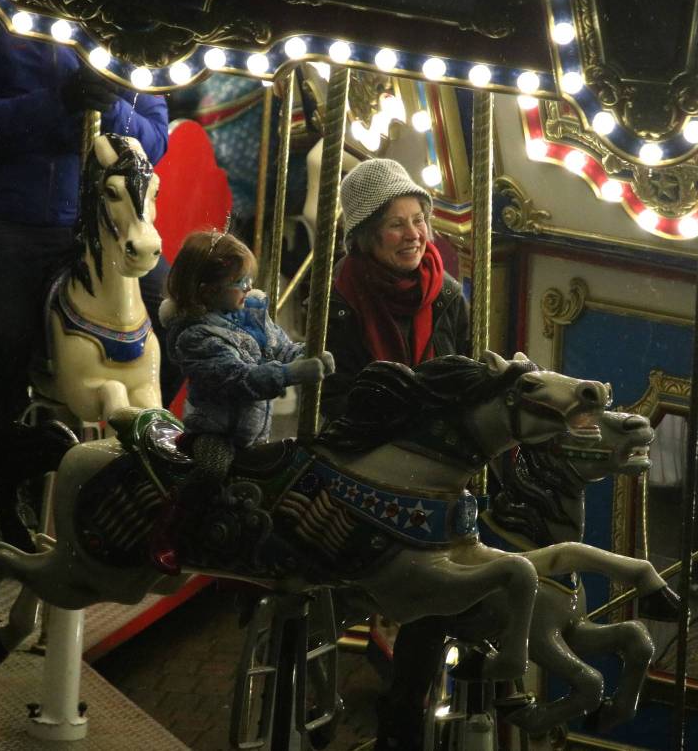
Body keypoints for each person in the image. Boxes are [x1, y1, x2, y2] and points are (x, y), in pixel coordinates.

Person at [0, 4, 170, 552]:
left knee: (168, 305)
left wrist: (111, 104)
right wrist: (60, 104)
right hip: (13, 216)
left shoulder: (129, 27)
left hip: (95, 219)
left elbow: (155, 137)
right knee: (12, 329)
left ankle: (151, 450)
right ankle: (10, 460)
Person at [322, 158, 470, 751]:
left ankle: (404, 710)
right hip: (365, 453)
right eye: (396, 225)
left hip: (431, 463)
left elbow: (465, 379)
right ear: (364, 235)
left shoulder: (450, 297)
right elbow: (335, 397)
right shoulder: (338, 300)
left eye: (419, 220)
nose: (414, 235)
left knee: (447, 568)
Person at [153, 231, 332, 574]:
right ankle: (173, 531)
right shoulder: (195, 335)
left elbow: (280, 347)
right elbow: (240, 379)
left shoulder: (250, 314)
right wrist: (292, 373)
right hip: (215, 433)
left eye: (249, 279)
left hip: (252, 433)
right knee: (210, 471)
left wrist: (308, 354)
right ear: (207, 291)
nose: (249, 287)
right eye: (240, 282)